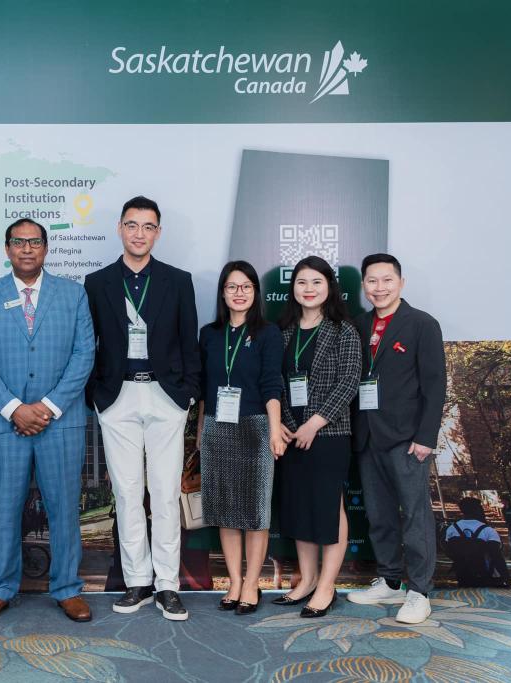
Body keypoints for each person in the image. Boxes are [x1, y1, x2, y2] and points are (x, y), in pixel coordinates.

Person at [0, 219, 95, 625]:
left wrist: (49, 407)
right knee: (3, 507)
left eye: (34, 242)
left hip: (61, 422)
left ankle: (67, 588)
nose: (26, 249)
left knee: (63, 508)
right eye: (18, 242)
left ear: (46, 248)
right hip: (4, 423)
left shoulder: (73, 294)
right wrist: (14, 409)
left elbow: (84, 355)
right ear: (7, 249)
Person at [84, 196, 200, 621]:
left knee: (166, 492)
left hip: (166, 396)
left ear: (158, 233)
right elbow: (88, 343)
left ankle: (167, 584)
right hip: (117, 398)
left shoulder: (177, 281)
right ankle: (137, 581)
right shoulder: (97, 282)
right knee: (127, 491)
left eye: (147, 226)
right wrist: (96, 394)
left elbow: (189, 341)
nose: (139, 233)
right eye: (131, 225)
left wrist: (188, 394)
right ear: (119, 228)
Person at [347, 253, 446, 625]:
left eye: (387, 280)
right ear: (364, 286)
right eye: (372, 281)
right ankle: (390, 581)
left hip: (408, 439)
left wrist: (426, 437)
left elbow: (435, 385)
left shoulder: (422, 324)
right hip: (368, 435)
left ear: (401, 283)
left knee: (415, 517)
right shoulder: (358, 325)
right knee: (379, 515)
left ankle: (419, 592)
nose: (379, 288)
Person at [197, 261, 286, 615]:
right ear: (222, 292)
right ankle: (234, 581)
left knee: (255, 511)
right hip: (217, 427)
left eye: (246, 286)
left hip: (256, 427)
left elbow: (272, 384)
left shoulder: (268, 333)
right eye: (232, 286)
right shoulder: (209, 334)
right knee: (225, 511)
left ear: (255, 292)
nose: (239, 293)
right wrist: (201, 430)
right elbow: (205, 388)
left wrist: (275, 431)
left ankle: (251, 583)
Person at [276, 256, 361, 618]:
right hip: (290, 433)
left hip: (329, 433)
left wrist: (315, 422)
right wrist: (286, 422)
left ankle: (327, 586)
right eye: (301, 282)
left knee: (328, 506)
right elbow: (275, 381)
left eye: (316, 282)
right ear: (293, 289)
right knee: (300, 505)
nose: (308, 289)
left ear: (329, 287)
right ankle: (307, 579)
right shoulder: (283, 332)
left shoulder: (344, 331)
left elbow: (349, 381)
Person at [444, 497, 510, 587]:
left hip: (462, 575)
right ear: (478, 510)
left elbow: (448, 550)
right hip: (485, 576)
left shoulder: (452, 529)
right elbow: (497, 556)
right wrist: (506, 578)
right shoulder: (488, 530)